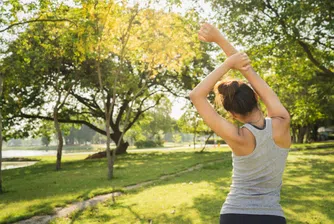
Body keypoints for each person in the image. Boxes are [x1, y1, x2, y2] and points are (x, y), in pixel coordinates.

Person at [189, 23, 291, 224]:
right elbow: (248, 71)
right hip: (271, 217)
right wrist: (220, 40)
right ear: (257, 96)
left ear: (233, 115)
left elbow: (196, 95)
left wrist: (227, 64)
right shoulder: (282, 122)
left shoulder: (238, 137)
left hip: (234, 214)